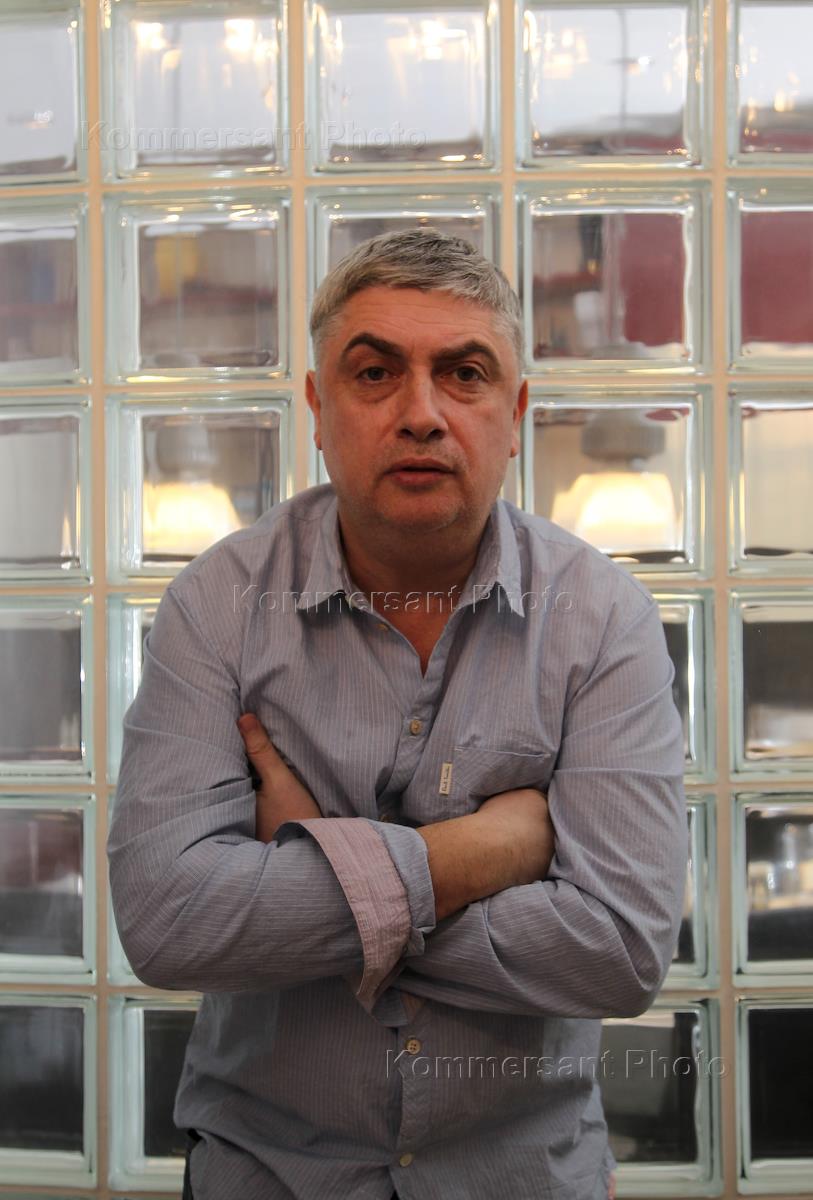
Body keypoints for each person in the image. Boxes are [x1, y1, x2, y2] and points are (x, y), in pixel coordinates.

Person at [108, 229, 687, 1200]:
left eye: (464, 373)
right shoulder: (216, 606)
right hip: (268, 1174)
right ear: (318, 409)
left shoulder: (601, 619)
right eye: (374, 373)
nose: (420, 414)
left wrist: (313, 869)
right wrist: (482, 854)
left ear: (515, 414)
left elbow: (622, 951)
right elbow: (168, 924)